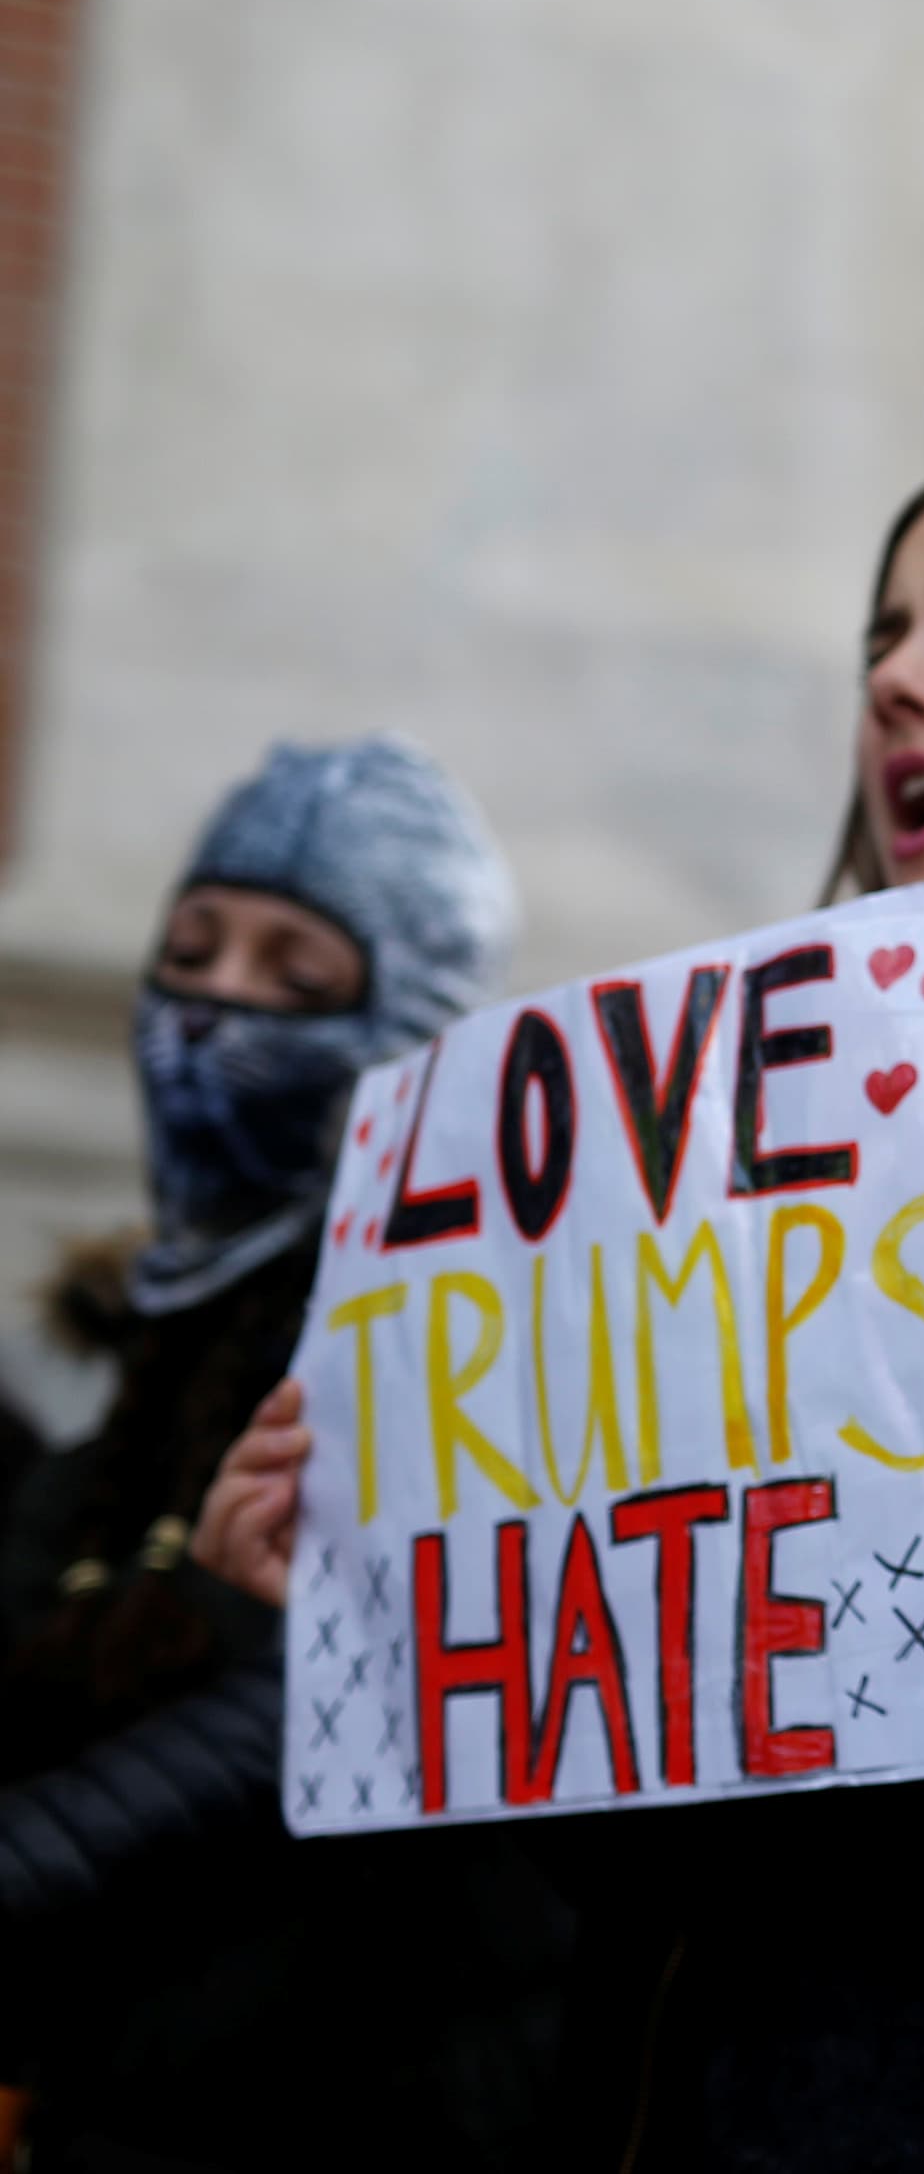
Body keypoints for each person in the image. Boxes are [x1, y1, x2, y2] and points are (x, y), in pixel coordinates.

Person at [192, 438, 924, 2168]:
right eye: (886, 640)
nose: (902, 679)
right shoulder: (701, 1188)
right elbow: (631, 1874)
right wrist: (384, 1602)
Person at [0, 735, 552, 2168]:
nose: (217, 1004)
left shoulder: (465, 1376)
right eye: (192, 950)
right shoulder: (111, 1418)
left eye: (300, 978)